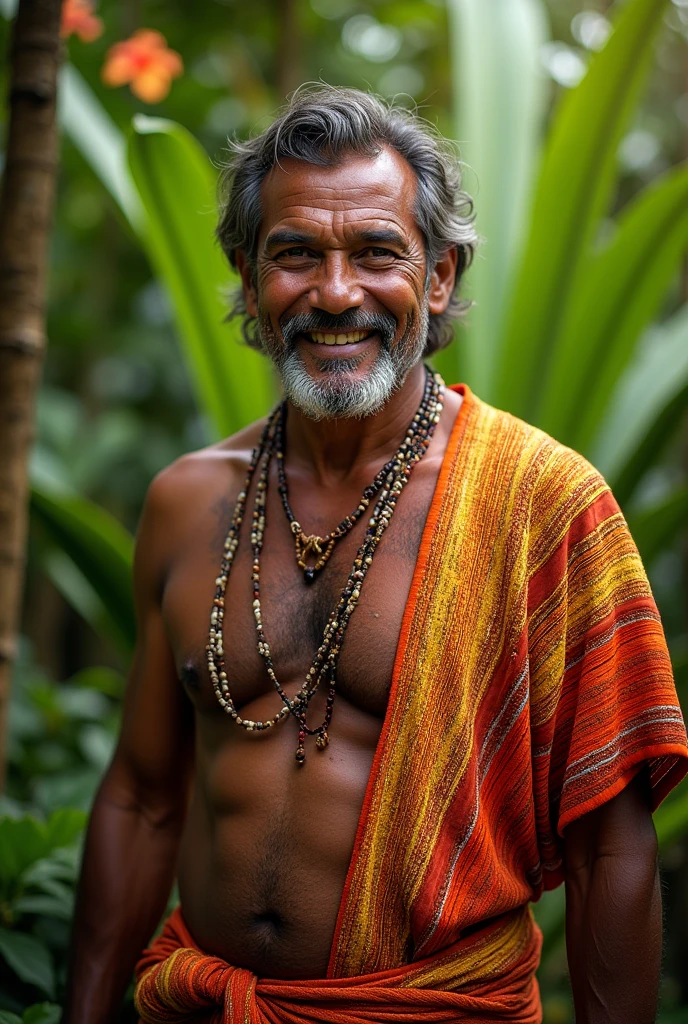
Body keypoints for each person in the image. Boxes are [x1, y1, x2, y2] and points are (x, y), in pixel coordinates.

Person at [65, 87, 688, 1024]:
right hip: (204, 1003)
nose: (337, 291)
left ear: (437, 278)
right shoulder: (187, 500)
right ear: (246, 273)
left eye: (376, 252)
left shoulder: (544, 506)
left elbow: (611, 848)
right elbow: (144, 800)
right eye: (296, 254)